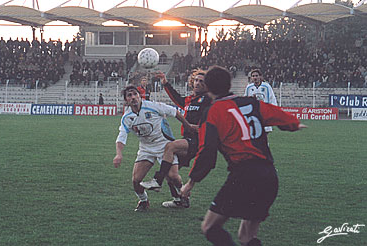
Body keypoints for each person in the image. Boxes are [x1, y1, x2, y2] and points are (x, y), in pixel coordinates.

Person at [181, 66, 307, 246]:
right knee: (246, 237)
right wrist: (294, 125)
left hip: (244, 175)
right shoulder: (251, 102)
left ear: (208, 87)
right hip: (269, 175)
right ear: (229, 84)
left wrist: (191, 182)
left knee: (209, 227)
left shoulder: (213, 111)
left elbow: (207, 152)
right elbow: (281, 116)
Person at [113, 85, 196, 212]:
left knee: (173, 176)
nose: (133, 97)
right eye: (129, 96)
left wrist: (187, 125)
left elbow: (174, 112)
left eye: (135, 94)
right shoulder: (127, 117)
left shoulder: (153, 106)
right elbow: (121, 136)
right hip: (146, 149)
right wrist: (119, 154)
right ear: (126, 101)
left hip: (165, 146)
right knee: (136, 180)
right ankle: (143, 200)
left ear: (140, 96)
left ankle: (182, 194)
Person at [140, 69, 212, 209]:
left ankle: (157, 180)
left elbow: (214, 118)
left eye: (201, 81)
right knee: (171, 173)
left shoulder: (208, 99)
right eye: (196, 80)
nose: (197, 83)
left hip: (198, 141)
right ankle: (180, 200)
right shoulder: (190, 100)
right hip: (187, 139)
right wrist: (165, 83)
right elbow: (177, 99)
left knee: (170, 147)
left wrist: (203, 128)